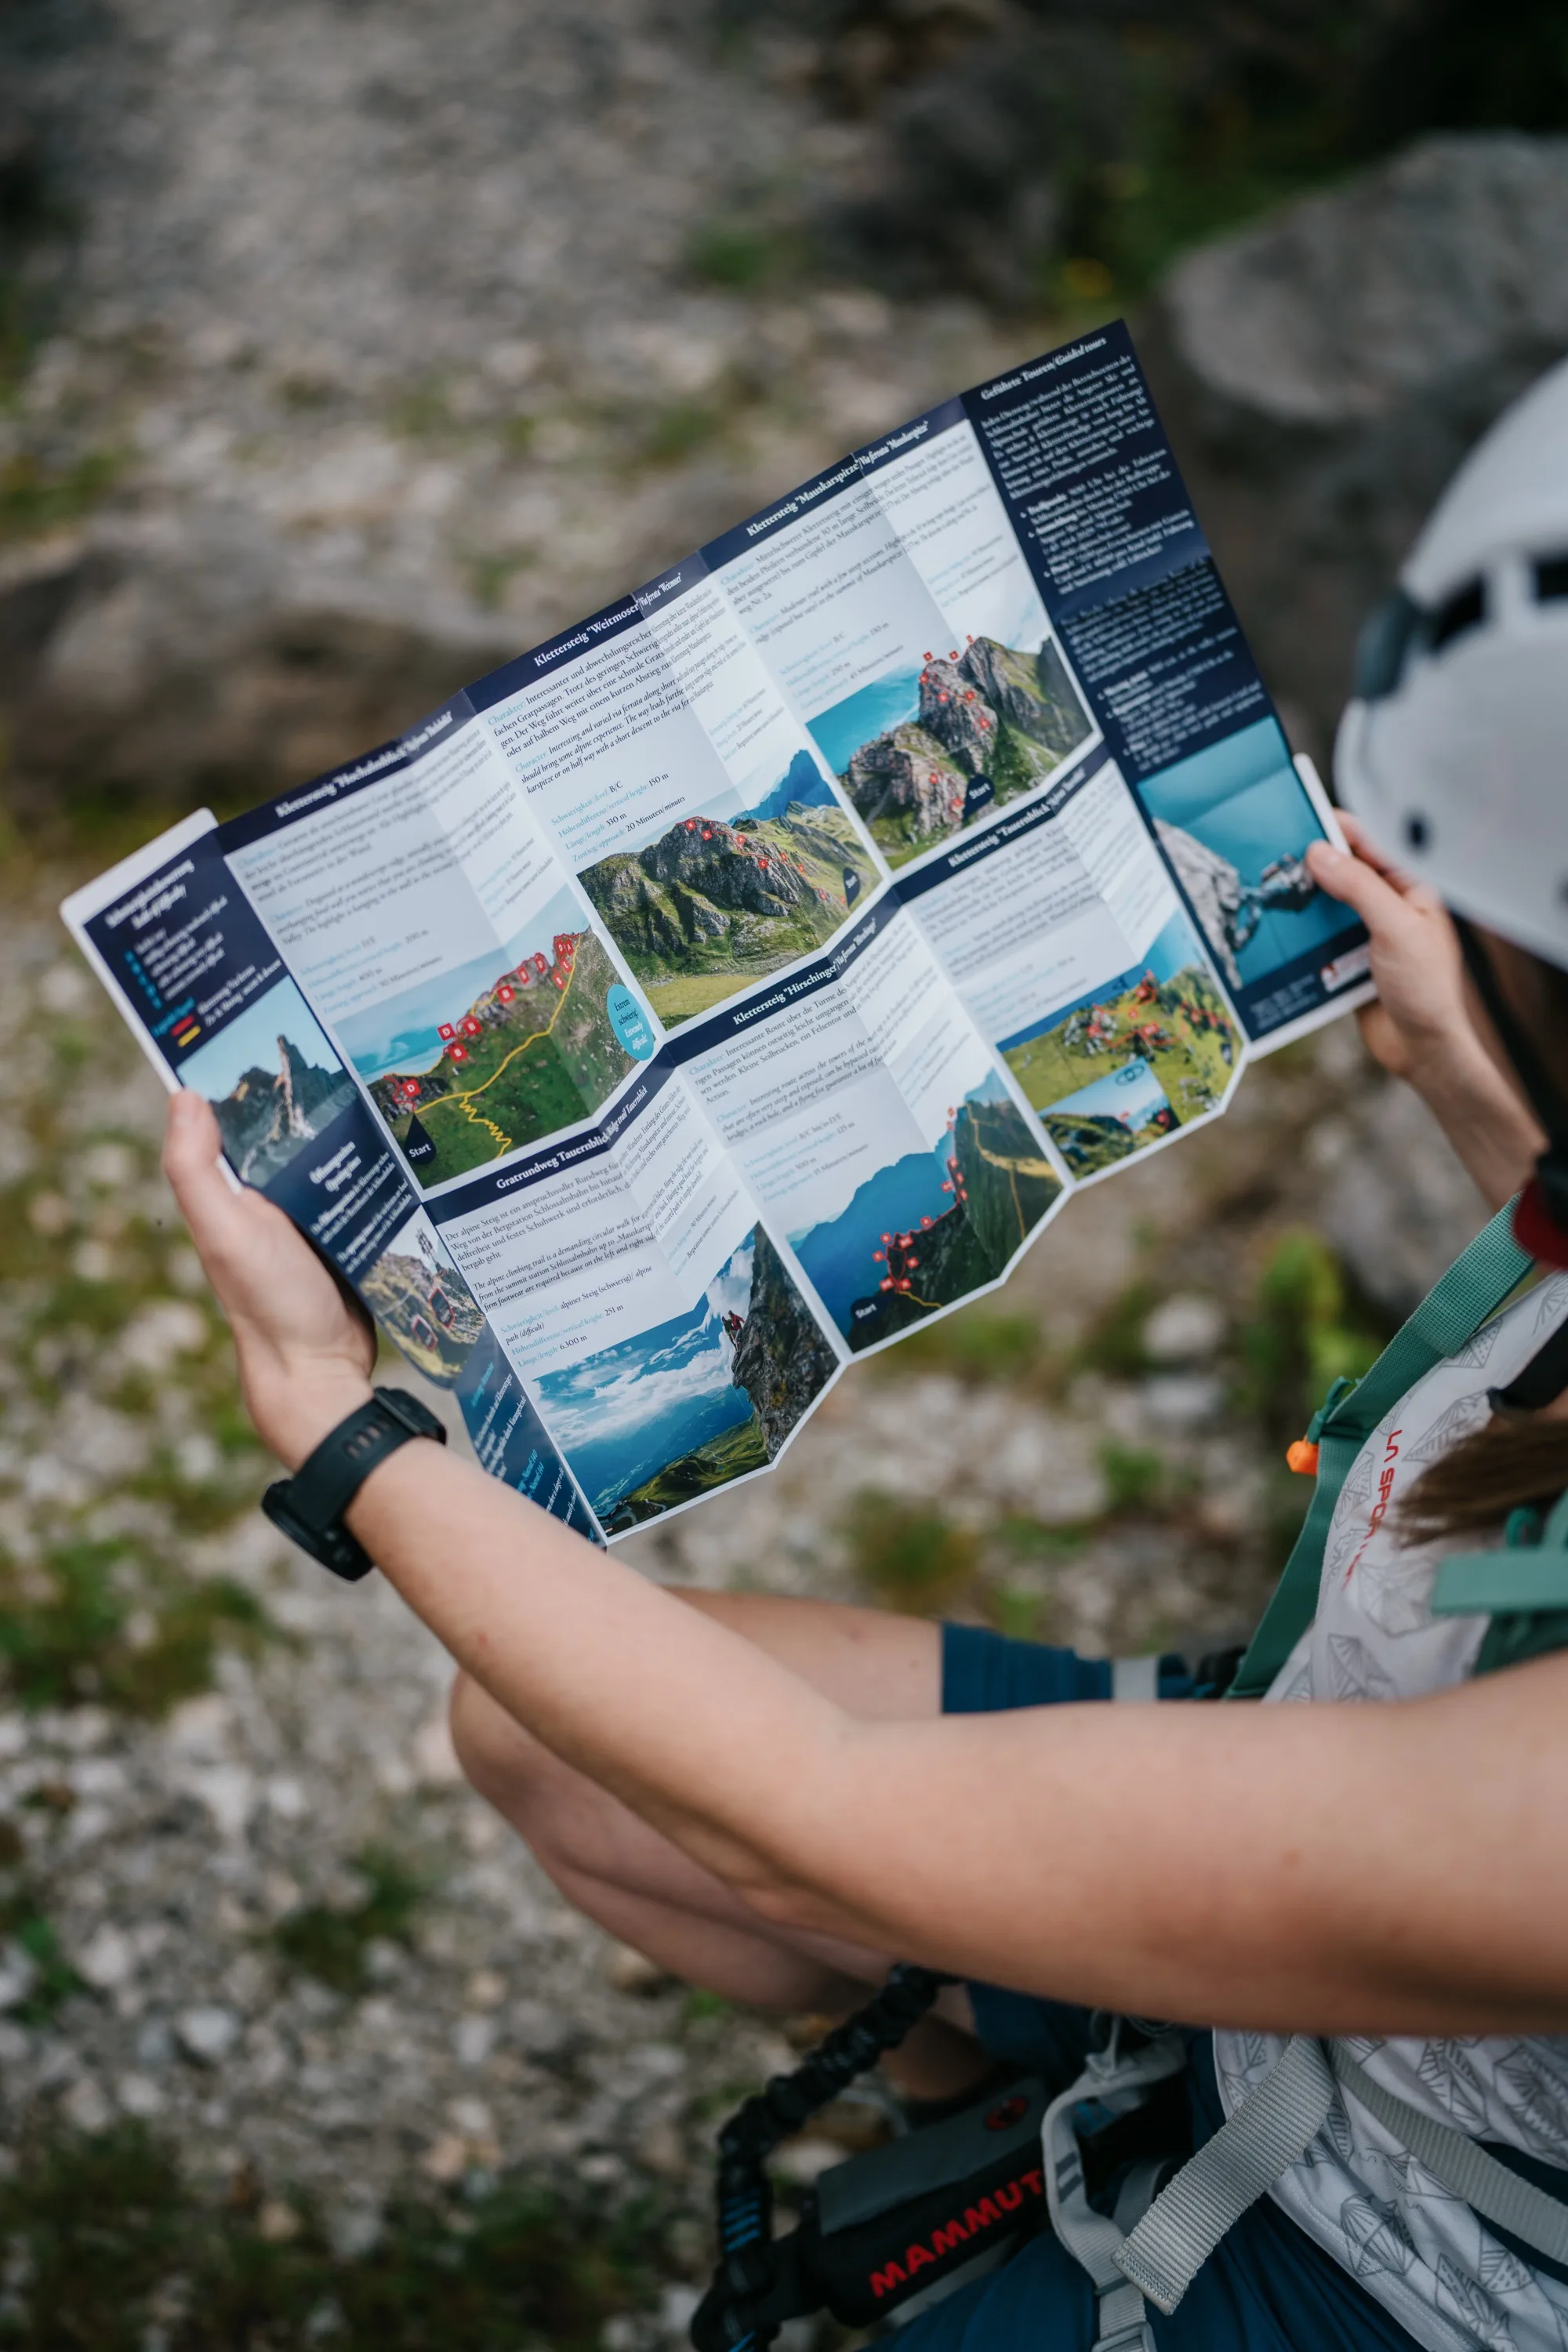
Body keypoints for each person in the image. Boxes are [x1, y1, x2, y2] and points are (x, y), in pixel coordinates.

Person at [160, 359, 1568, 2352]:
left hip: (1390, 2255)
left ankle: (1051, 2162)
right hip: (1315, 1743)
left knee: (732, 1794)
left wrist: (336, 1429)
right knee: (550, 1749)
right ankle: (997, 2097)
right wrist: (1499, 1117)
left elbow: (805, 1811)